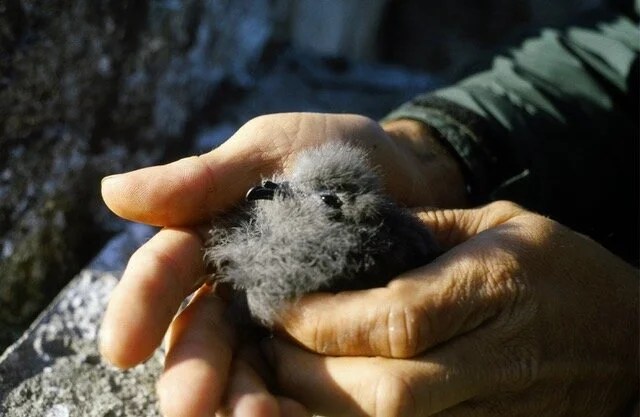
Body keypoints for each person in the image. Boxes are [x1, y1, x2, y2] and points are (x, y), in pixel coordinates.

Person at [98, 3, 639, 417]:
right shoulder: (286, 218)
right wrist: (445, 152)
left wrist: (628, 343)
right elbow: (619, 45)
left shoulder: (355, 230)